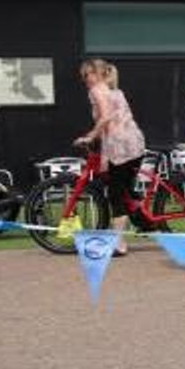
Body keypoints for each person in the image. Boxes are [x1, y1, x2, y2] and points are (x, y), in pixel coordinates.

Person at [73, 59, 146, 256]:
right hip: (134, 143)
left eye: (87, 74)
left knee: (116, 194)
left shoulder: (96, 90)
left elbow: (106, 118)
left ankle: (119, 244)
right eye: (83, 75)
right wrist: (104, 154)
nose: (85, 79)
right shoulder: (115, 91)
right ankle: (141, 218)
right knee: (124, 189)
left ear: (98, 74)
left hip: (120, 146)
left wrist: (90, 136)